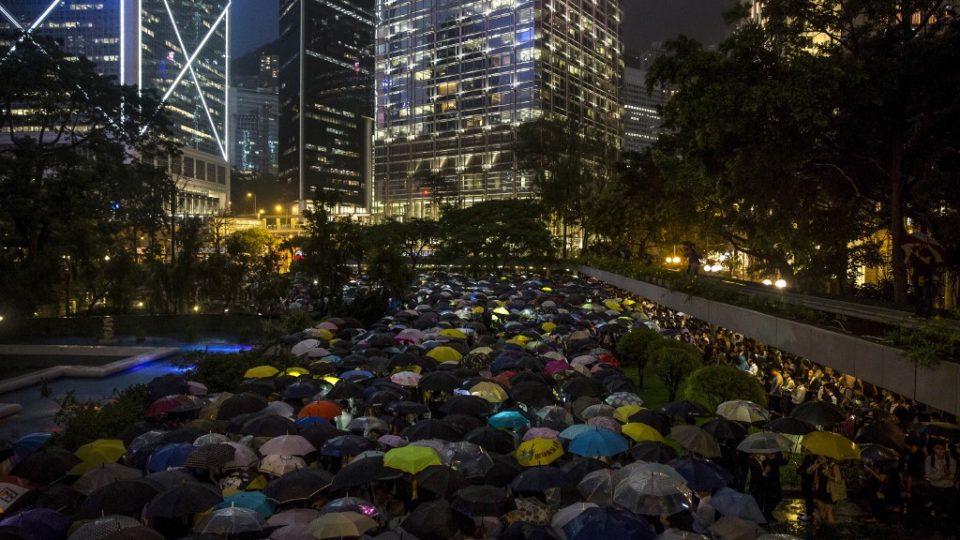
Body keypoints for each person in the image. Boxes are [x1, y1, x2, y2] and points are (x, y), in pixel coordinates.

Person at [924, 440, 957, 523]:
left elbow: (952, 476)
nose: (940, 451)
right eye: (937, 448)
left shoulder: (951, 460)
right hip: (935, 488)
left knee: (949, 511)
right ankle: (937, 528)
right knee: (937, 510)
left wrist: (947, 473)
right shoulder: (929, 459)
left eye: (942, 449)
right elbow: (929, 475)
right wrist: (942, 475)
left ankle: (947, 528)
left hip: (949, 488)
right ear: (934, 449)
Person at [811, 456, 844, 525]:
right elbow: (810, 472)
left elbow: (838, 480)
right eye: (819, 458)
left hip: (829, 492)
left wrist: (828, 475)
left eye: (821, 459)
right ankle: (824, 526)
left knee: (828, 511)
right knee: (821, 509)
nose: (820, 460)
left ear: (827, 459)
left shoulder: (833, 466)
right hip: (820, 490)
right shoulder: (819, 466)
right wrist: (815, 465)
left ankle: (830, 529)